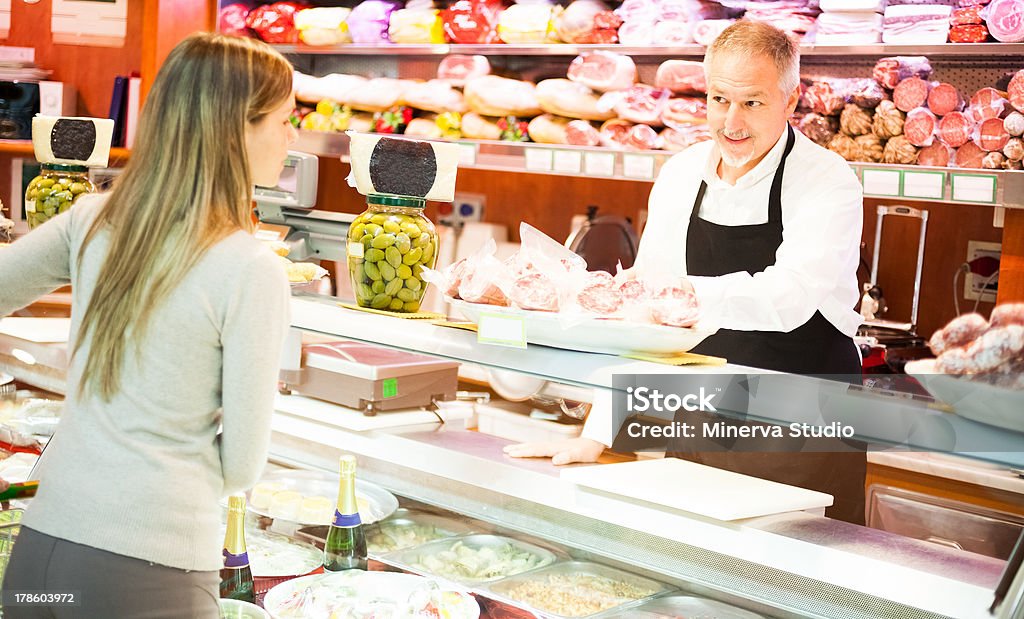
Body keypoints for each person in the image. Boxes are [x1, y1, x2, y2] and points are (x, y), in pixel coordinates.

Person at [505, 21, 867, 523]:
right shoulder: (680, 174)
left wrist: (679, 296)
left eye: (753, 102)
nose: (731, 122)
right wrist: (596, 433)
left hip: (801, 427)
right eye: (719, 99)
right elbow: (646, 324)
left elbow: (790, 297)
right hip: (699, 421)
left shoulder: (826, 180)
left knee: (792, 590)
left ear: (791, 99)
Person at [0, 33, 296, 617]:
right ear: (240, 126)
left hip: (41, 559)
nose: (293, 137)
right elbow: (241, 466)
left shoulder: (90, 218)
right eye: (286, 121)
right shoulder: (250, 267)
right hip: (144, 577)